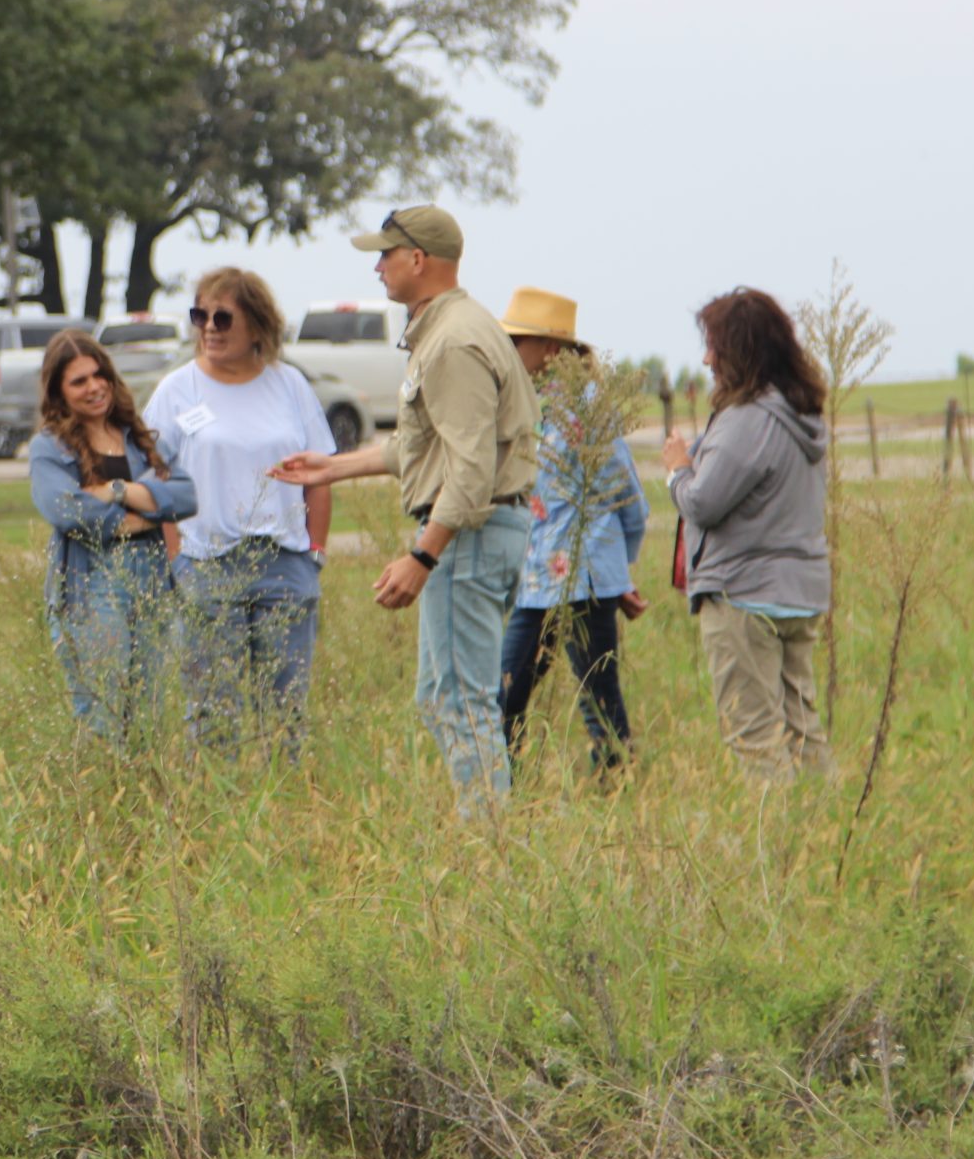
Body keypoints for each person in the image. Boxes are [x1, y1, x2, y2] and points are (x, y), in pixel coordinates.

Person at [273, 207, 539, 809]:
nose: (378, 267)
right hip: (481, 527)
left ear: (418, 259)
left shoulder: (452, 341)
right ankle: (486, 826)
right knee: (438, 694)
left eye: (386, 254)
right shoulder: (452, 328)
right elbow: (431, 449)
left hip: (469, 534)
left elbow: (469, 472)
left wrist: (422, 555)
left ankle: (489, 843)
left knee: (461, 699)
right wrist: (332, 466)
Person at [141, 266, 334, 752]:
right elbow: (155, 482)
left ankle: (290, 808)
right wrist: (176, 561)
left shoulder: (289, 384)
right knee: (211, 710)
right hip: (206, 566)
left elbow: (321, 475)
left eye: (222, 318)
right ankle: (211, 814)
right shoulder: (175, 391)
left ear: (257, 324)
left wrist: (315, 552)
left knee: (287, 707)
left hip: (285, 564)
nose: (208, 327)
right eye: (199, 315)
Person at [662, 287, 834, 781]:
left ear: (740, 350)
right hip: (798, 594)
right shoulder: (799, 412)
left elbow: (702, 503)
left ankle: (774, 855)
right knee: (803, 733)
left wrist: (678, 469)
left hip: (744, 595)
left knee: (755, 740)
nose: (707, 358)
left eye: (715, 345)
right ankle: (830, 841)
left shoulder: (747, 418)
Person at [492, 288, 649, 773]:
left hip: (586, 583)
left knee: (598, 697)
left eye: (517, 342)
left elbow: (630, 503)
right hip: (537, 581)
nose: (509, 352)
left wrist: (616, 576)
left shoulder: (590, 409)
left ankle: (616, 788)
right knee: (507, 692)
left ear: (550, 349)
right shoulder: (526, 407)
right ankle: (503, 790)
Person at [28, 331, 197, 742]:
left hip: (153, 582)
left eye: (98, 374)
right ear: (59, 392)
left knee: (149, 713)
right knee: (102, 715)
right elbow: (67, 511)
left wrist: (116, 490)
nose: (94, 387)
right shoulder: (50, 448)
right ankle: (100, 803)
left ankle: (144, 802)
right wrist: (144, 517)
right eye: (79, 381)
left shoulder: (138, 438)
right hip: (91, 588)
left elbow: (186, 495)